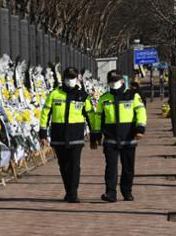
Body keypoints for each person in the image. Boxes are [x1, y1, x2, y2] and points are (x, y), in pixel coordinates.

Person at [39, 67, 94, 203]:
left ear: (77, 79)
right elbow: (45, 113)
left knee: (75, 165)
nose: (71, 80)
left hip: (76, 136)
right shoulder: (54, 94)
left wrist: (95, 134)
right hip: (59, 136)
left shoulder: (83, 96)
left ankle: (73, 193)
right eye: (68, 78)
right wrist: (42, 133)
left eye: (73, 78)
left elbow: (91, 116)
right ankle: (69, 191)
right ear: (63, 79)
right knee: (63, 166)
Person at [91, 70, 147, 202]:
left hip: (128, 137)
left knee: (128, 167)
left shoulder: (133, 95)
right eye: (111, 82)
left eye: (116, 81)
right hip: (110, 138)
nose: (114, 84)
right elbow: (98, 117)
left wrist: (140, 129)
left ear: (122, 81)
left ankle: (127, 191)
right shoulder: (104, 98)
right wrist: (96, 135)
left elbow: (141, 112)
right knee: (110, 167)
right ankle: (110, 193)